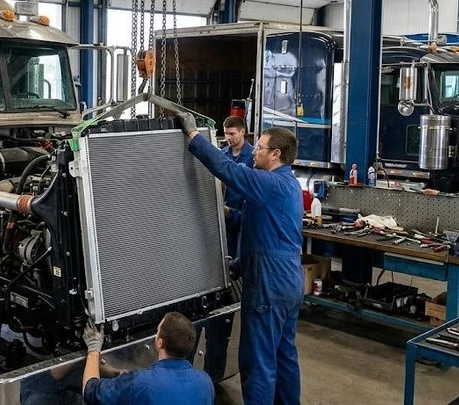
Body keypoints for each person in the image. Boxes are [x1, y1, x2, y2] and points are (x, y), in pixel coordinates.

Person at [177, 113, 303, 405]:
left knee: (258, 361)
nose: (254, 151)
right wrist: (231, 216)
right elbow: (267, 228)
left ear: (276, 154)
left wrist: (194, 136)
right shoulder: (289, 185)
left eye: (259, 147)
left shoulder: (269, 183)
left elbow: (227, 170)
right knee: (284, 355)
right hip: (289, 281)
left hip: (269, 284)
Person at [81, 312, 215, 405]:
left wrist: (93, 349)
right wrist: (119, 373)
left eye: (157, 332)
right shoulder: (205, 381)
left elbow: (90, 392)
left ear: (160, 343)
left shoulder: (139, 383)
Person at [221, 115, 254, 259]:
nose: (228, 137)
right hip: (226, 214)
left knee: (242, 258)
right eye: (226, 133)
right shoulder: (222, 155)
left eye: (232, 133)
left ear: (242, 132)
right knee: (226, 256)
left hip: (245, 216)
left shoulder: (253, 157)